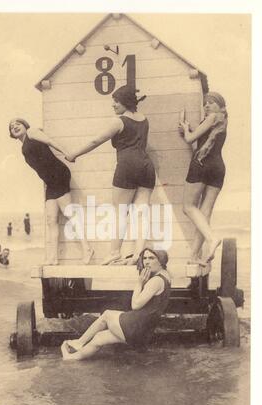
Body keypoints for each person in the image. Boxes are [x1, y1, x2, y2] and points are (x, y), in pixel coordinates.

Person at [65, 86, 156, 266]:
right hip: (146, 166)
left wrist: (74, 154)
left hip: (127, 165)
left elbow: (95, 141)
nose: (113, 105)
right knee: (141, 213)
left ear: (125, 102)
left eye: (116, 101)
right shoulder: (144, 119)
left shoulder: (119, 121)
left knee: (120, 212)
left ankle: (114, 252)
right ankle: (139, 254)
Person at [9, 118, 94, 265]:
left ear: (25, 125)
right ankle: (53, 258)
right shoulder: (23, 146)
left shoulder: (32, 132)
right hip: (50, 182)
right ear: (11, 134)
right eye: (11, 127)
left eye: (17, 123)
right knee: (51, 220)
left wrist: (68, 153)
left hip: (59, 175)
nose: (14, 126)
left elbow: (50, 142)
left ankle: (87, 249)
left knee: (69, 214)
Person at [61, 248, 171, 361]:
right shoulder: (166, 276)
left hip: (136, 327)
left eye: (151, 258)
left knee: (107, 314)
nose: (146, 262)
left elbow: (135, 305)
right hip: (144, 331)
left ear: (161, 261)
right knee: (99, 338)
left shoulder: (155, 281)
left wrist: (139, 283)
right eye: (144, 258)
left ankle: (79, 343)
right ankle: (71, 358)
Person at [178, 92, 228, 265]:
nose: (207, 106)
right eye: (205, 103)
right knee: (204, 212)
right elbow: (204, 139)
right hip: (218, 167)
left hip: (201, 164)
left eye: (211, 102)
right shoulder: (222, 120)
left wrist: (185, 129)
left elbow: (190, 139)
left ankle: (212, 238)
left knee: (188, 207)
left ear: (220, 105)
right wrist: (191, 130)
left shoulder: (212, 117)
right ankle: (194, 256)